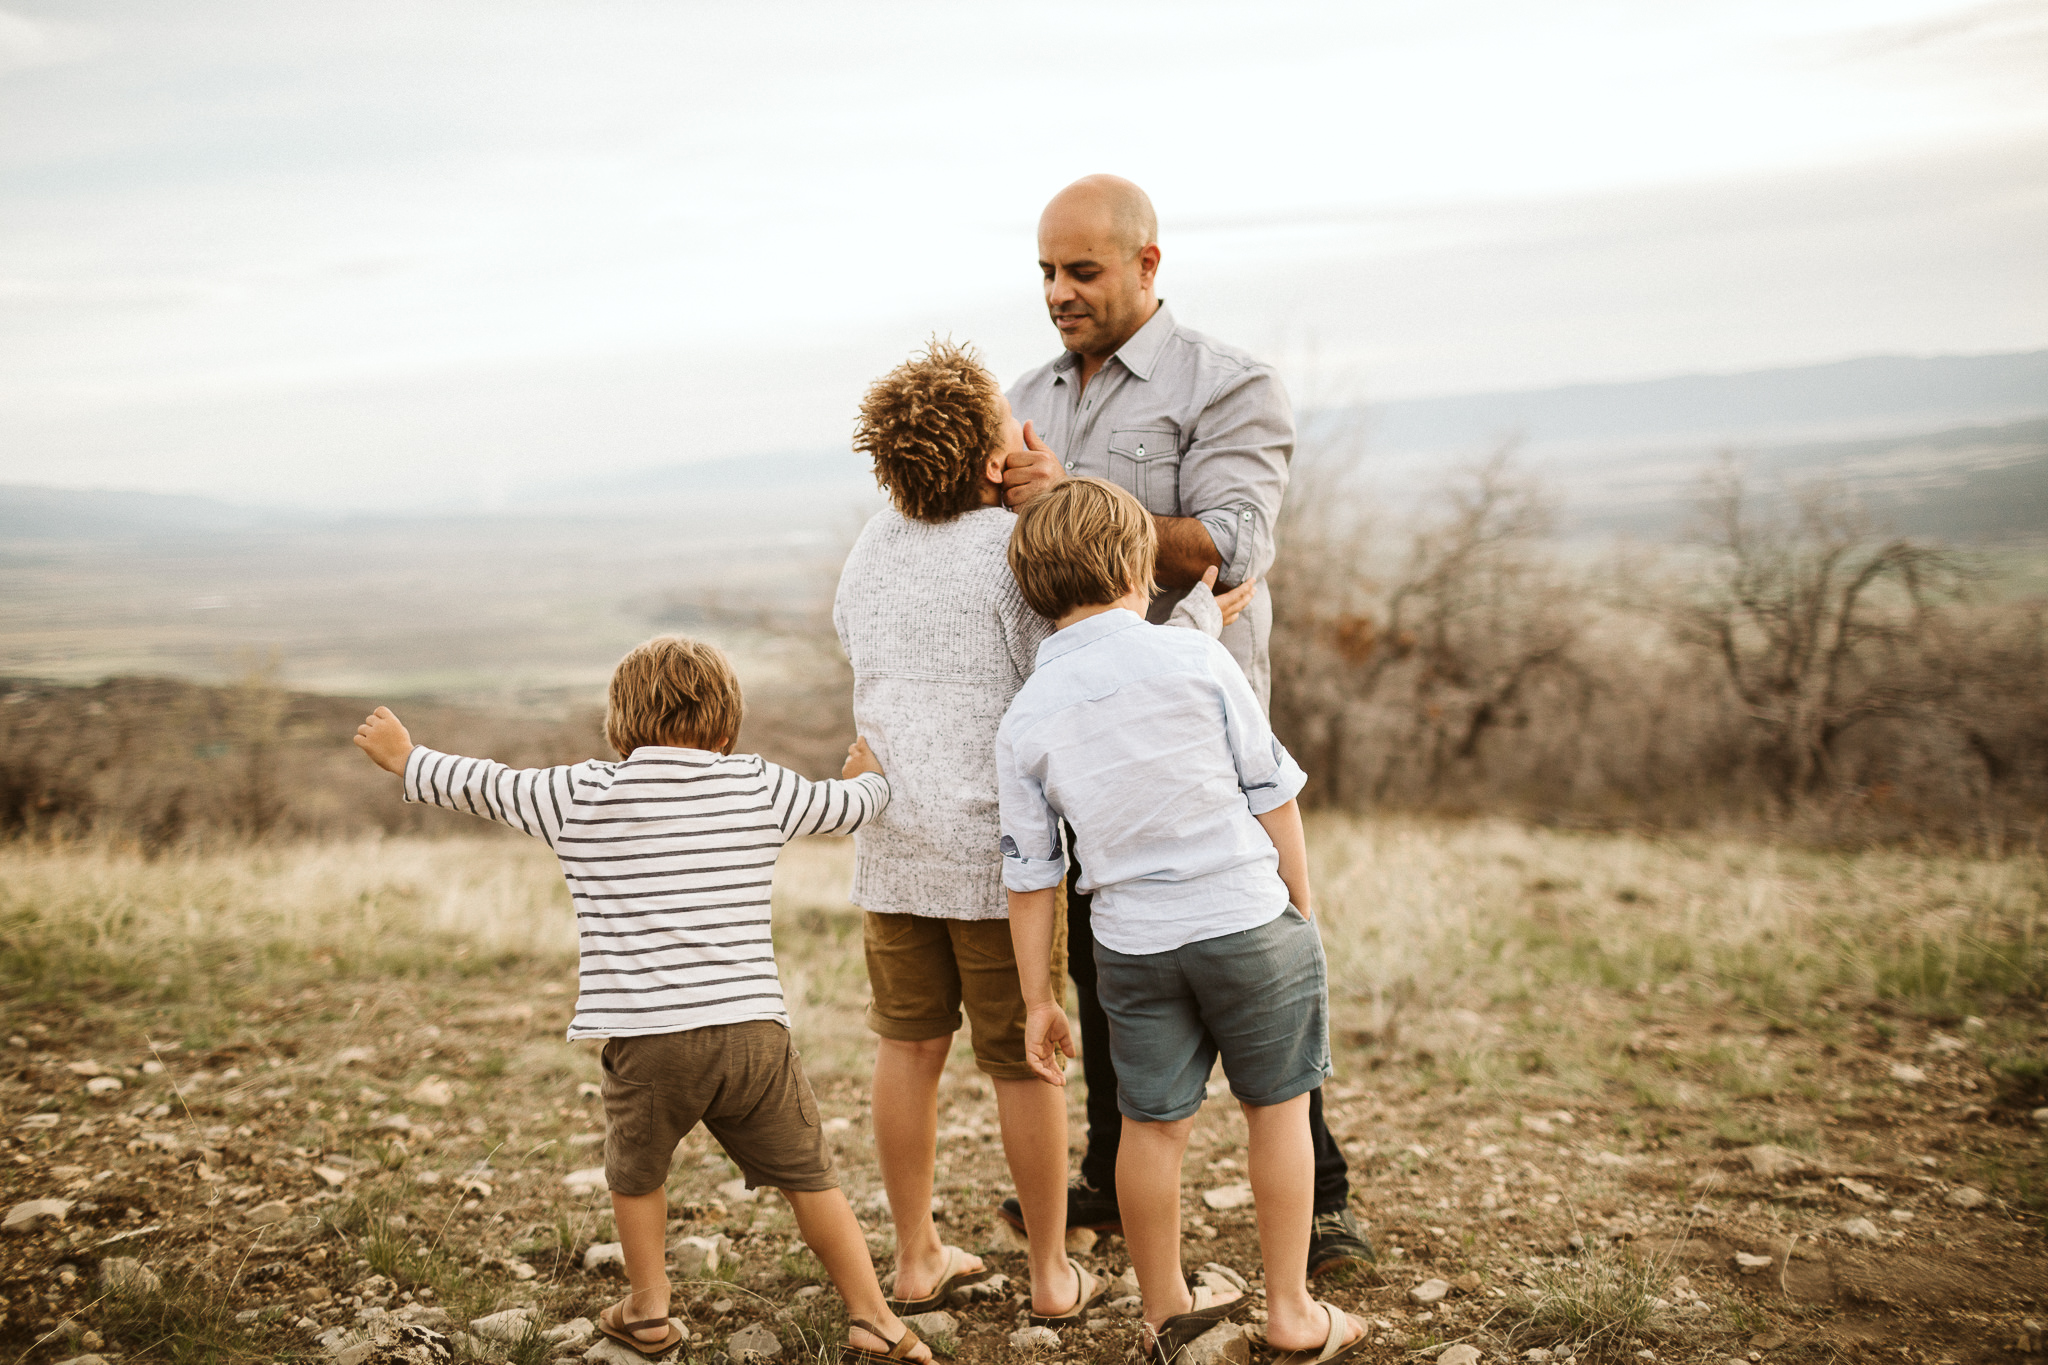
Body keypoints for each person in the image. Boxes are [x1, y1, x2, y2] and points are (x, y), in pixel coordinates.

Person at [350, 637, 931, 1365]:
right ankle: (873, 1316)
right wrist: (872, 781)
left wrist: (409, 758)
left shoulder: (581, 793)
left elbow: (490, 784)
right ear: (725, 728)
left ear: (620, 726)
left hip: (648, 1035)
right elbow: (841, 808)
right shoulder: (757, 783)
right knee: (809, 1176)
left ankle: (650, 1309)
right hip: (753, 1031)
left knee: (637, 1171)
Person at [996, 174, 1372, 1276]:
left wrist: (1071, 494)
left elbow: (1231, 546)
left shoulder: (1231, 385)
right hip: (1073, 725)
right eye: (1045, 274)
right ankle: (1116, 1171)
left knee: (1256, 962)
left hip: (1197, 725)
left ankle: (1328, 1196)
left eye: (1082, 272)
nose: (1059, 293)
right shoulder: (1024, 390)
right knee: (1110, 957)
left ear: (1146, 265)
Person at [996, 479, 1368, 1365]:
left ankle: (1167, 1315)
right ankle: (1291, 1311)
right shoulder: (1198, 661)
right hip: (1246, 918)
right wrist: (1300, 911)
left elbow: (1031, 875)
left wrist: (1039, 997)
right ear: (1137, 567)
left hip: (1131, 942)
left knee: (1149, 1127)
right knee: (1278, 1111)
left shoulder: (1025, 717)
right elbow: (1273, 796)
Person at [830, 339, 1094, 1325]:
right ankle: (1049, 1275)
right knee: (1024, 1060)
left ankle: (912, 1255)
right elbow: (1055, 662)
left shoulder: (868, 547)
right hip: (999, 861)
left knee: (908, 1048)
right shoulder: (1009, 551)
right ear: (994, 455)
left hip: (891, 844)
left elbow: (855, 643)